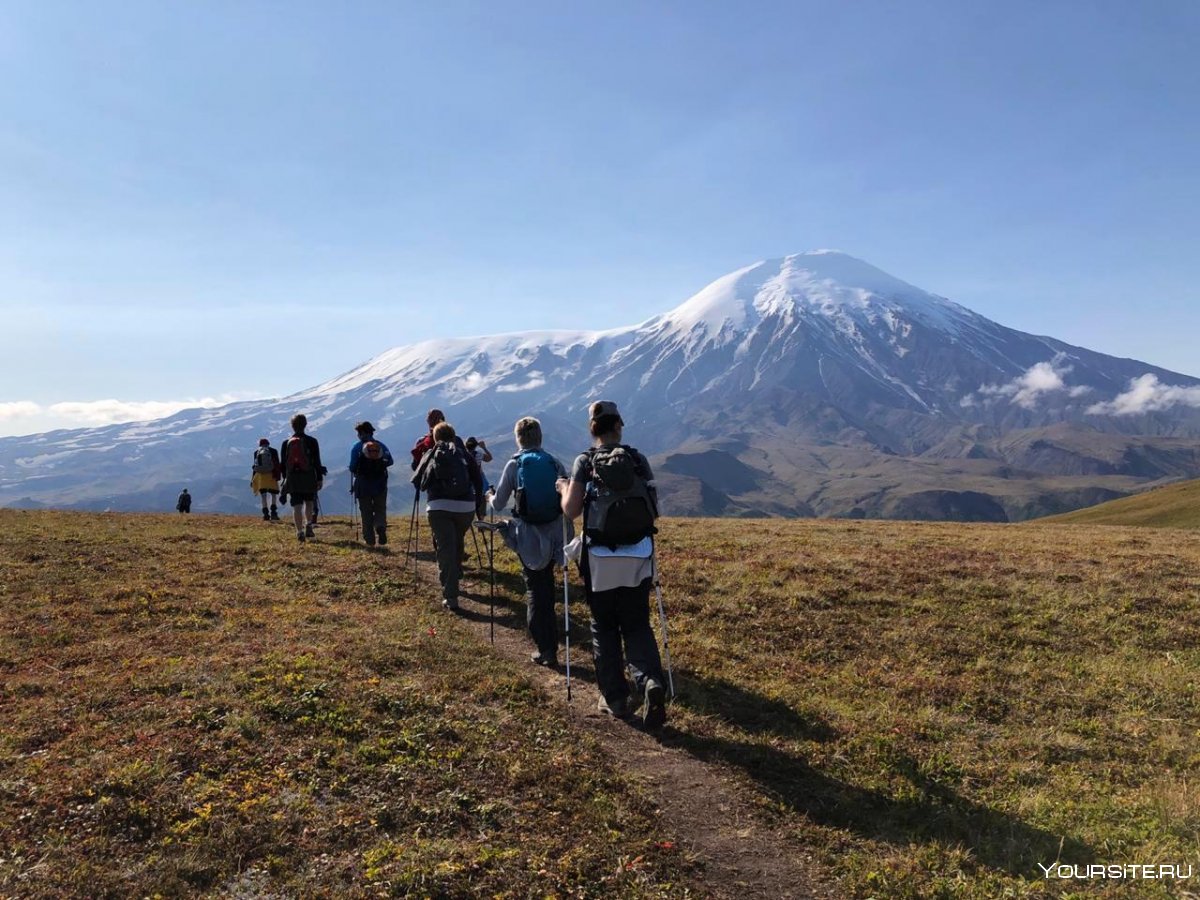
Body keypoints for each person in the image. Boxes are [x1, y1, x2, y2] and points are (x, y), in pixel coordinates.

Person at [559, 400, 667, 728]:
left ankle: (615, 699)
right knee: (636, 623)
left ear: (592, 427)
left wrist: (564, 488)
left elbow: (571, 511)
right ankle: (649, 680)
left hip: (600, 559)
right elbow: (654, 509)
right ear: (619, 424)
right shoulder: (637, 459)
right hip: (639, 555)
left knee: (604, 625)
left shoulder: (584, 461)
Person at [488, 417, 573, 667]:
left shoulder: (514, 465)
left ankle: (546, 649)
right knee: (547, 587)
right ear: (540, 437)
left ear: (518, 439)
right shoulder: (553, 463)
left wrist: (490, 496)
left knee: (535, 589)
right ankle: (553, 640)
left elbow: (500, 503)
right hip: (555, 534)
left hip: (528, 537)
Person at [412, 421, 483, 611]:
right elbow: (477, 478)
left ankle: (451, 596)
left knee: (445, 548)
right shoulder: (464, 454)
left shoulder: (431, 453)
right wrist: (476, 504)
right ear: (454, 435)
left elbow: (418, 480)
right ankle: (457, 570)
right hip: (465, 508)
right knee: (457, 539)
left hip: (438, 507)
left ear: (435, 437)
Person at [279, 414, 324, 543]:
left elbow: (283, 464)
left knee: (296, 505)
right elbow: (317, 461)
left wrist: (285, 479)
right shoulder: (312, 441)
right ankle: (309, 525)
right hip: (308, 475)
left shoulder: (286, 443)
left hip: (293, 477)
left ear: (292, 426)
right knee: (309, 502)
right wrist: (319, 478)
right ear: (305, 425)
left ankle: (299, 532)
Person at [349, 421, 394, 547]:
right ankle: (380, 526)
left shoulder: (357, 447)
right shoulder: (381, 446)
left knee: (366, 512)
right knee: (380, 508)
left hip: (363, 484)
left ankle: (370, 540)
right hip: (380, 483)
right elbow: (390, 461)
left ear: (361, 433)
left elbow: (353, 467)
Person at [250, 438, 282, 521]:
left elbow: (255, 466)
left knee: (263, 496)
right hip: (271, 475)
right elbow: (277, 464)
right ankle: (274, 513)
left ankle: (265, 514)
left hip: (261, 476)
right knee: (274, 494)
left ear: (260, 445)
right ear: (268, 444)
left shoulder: (256, 452)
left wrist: (252, 479)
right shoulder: (274, 451)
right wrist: (278, 476)